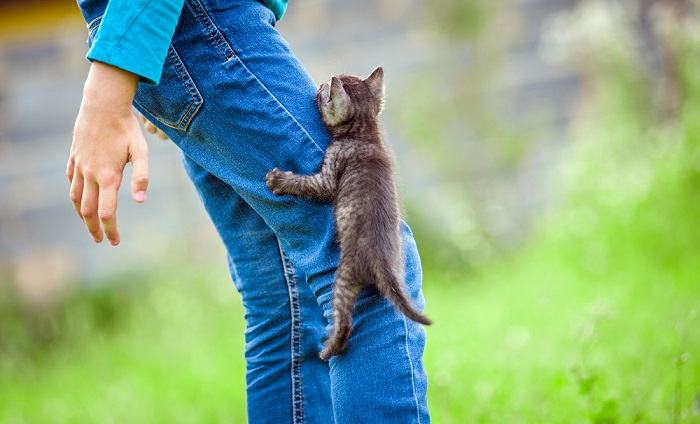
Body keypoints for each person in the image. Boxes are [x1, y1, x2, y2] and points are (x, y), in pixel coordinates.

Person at [68, 0, 430, 422]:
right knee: (371, 270)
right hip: (201, 27)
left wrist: (158, 68)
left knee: (282, 301)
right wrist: (108, 91)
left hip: (177, 38)